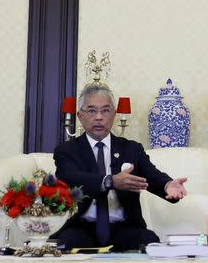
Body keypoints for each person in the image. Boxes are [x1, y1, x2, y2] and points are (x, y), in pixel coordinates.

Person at [51, 84, 188, 251]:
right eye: (92, 111)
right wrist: (110, 181)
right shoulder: (67, 150)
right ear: (80, 116)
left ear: (114, 114)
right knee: (65, 243)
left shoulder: (131, 149)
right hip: (82, 226)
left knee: (149, 240)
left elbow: (151, 175)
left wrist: (167, 185)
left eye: (105, 110)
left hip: (124, 228)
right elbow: (70, 178)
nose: (99, 117)